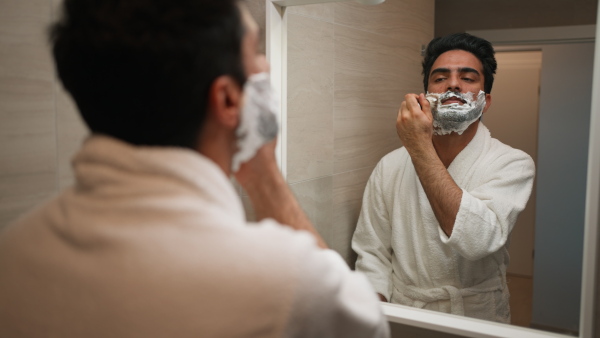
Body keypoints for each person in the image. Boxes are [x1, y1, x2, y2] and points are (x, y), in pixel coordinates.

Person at [0, 1, 390, 337]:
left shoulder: (12, 256)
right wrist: (263, 173)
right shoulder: (285, 282)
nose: (266, 65)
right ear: (227, 99)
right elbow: (368, 325)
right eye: (255, 50)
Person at [352, 33, 535, 323]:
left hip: (476, 316)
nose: (452, 83)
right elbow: (372, 252)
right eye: (440, 77)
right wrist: (375, 315)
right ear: (424, 97)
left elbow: (477, 240)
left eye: (468, 77)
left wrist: (419, 148)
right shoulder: (390, 166)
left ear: (485, 101)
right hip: (406, 312)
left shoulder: (512, 163)